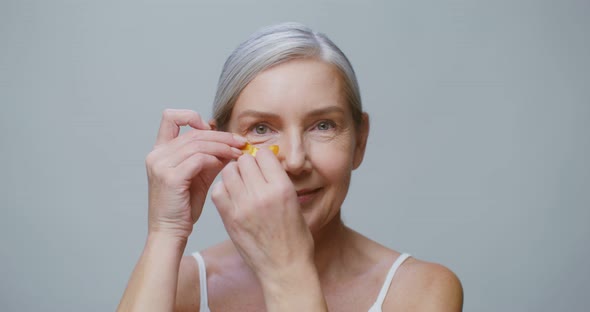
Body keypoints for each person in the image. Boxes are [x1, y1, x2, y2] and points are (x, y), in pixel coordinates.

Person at [118, 22, 463, 312]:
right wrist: (165, 231)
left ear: (360, 141)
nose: (295, 161)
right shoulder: (181, 285)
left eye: (323, 125)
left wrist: (288, 271)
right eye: (262, 129)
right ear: (220, 145)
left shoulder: (421, 290)